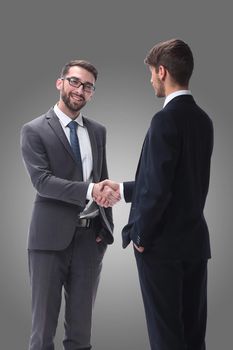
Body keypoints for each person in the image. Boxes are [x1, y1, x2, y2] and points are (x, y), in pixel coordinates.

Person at [100, 39, 214, 350]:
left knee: (166, 339)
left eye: (151, 73)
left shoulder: (165, 119)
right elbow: (178, 184)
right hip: (193, 245)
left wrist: (140, 236)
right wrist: (122, 190)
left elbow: (159, 188)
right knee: (193, 338)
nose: (151, 79)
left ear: (162, 71)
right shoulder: (204, 120)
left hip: (161, 247)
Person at [20, 59, 120, 350]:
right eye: (75, 81)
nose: (80, 89)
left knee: (81, 335)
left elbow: (101, 178)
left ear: (92, 93)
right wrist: (90, 190)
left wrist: (106, 228)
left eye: (88, 86)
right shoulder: (34, 130)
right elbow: (43, 182)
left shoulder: (98, 131)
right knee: (42, 334)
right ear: (60, 82)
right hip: (49, 243)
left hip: (91, 240)